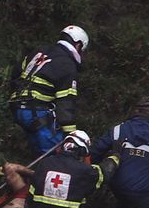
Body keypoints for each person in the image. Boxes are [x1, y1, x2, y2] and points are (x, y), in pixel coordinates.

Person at [9, 25, 89, 155]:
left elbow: (16, 74)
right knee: (58, 155)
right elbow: (66, 104)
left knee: (35, 154)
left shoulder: (39, 52)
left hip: (17, 107)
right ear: (78, 45)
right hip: (36, 114)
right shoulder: (67, 64)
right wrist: (71, 135)